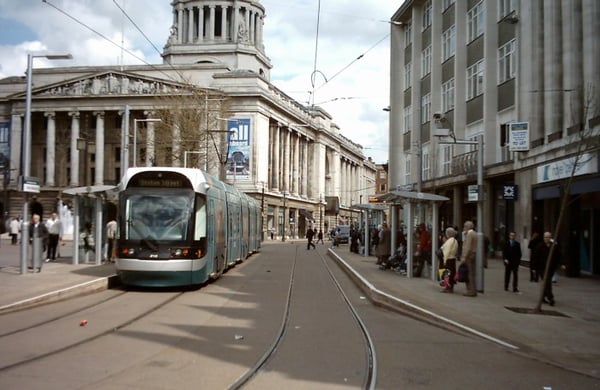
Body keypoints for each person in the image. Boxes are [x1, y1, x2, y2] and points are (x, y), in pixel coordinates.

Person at [534, 232, 561, 306]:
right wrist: (534, 268)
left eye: (548, 237)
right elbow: (535, 257)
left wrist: (561, 264)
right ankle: (550, 298)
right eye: (545, 237)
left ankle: (543, 297)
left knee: (546, 283)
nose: (546, 239)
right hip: (542, 268)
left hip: (551, 268)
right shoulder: (540, 246)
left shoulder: (554, 246)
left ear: (550, 238)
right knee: (547, 282)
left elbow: (558, 255)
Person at [460, 220, 478, 297]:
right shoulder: (474, 233)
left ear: (467, 227)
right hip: (473, 255)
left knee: (468, 273)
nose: (464, 228)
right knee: (472, 273)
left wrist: (464, 256)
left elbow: (468, 247)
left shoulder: (470, 234)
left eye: (464, 226)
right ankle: (473, 290)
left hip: (469, 256)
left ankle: (470, 290)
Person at [440, 227, 459, 293]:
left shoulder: (449, 241)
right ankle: (451, 287)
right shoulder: (455, 240)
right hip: (453, 259)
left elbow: (446, 251)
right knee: (452, 273)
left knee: (447, 274)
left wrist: (444, 260)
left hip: (448, 259)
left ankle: (447, 287)